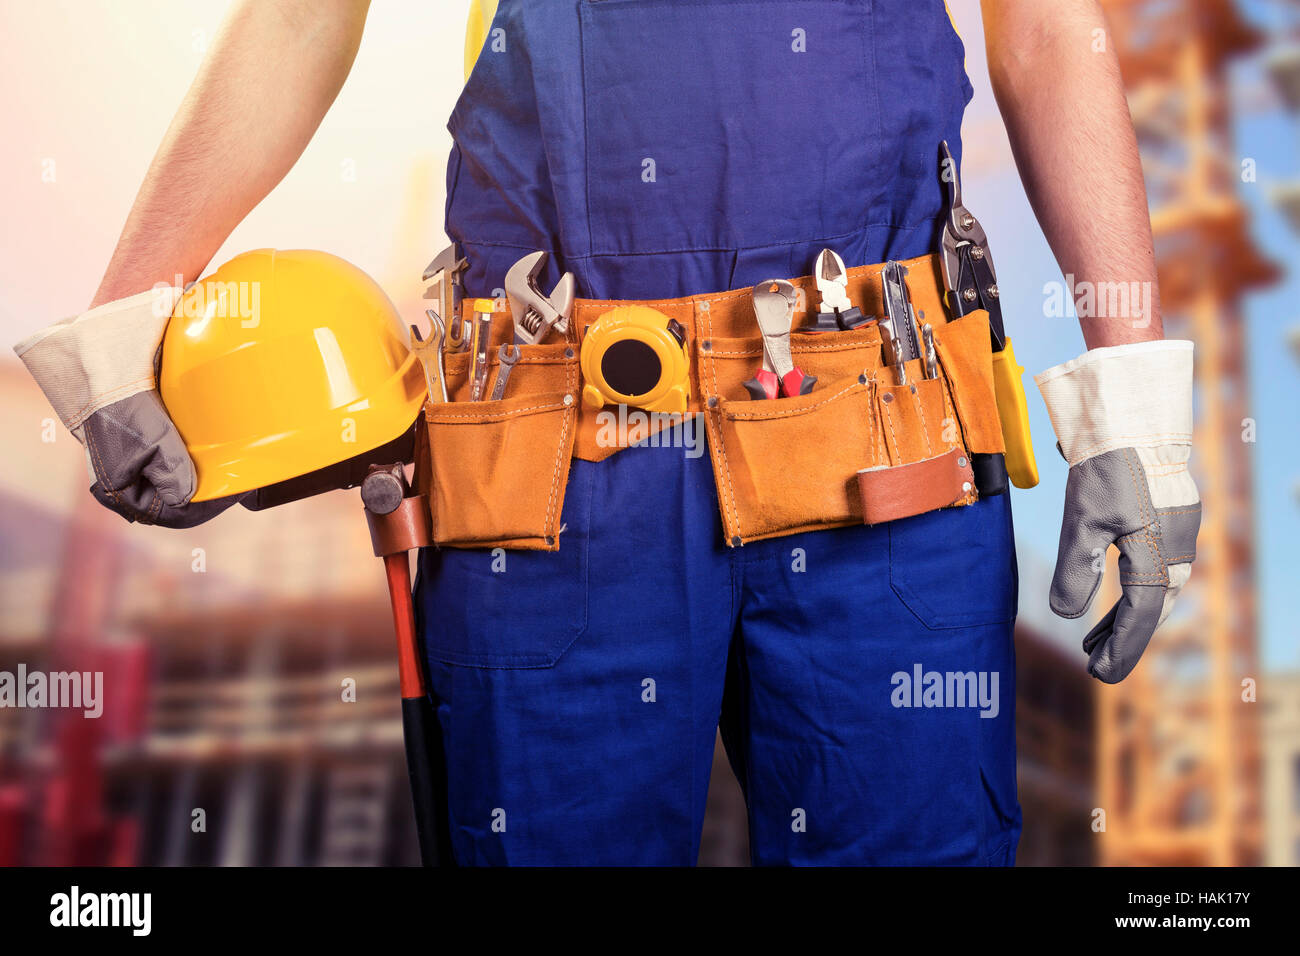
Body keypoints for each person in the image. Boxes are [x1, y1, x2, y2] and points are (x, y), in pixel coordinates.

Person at [18, 0, 1199, 865]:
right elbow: (298, 17)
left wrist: (1130, 402)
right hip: (550, 461)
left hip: (881, 428)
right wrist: (127, 315)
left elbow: (1049, 28)